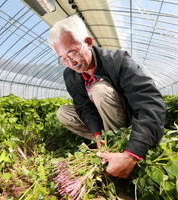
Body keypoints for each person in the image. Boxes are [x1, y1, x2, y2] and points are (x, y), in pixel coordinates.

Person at [47, 15, 166, 179]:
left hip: (128, 122)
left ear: (88, 43)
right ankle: (104, 143)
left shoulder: (119, 62)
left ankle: (118, 146)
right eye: (63, 58)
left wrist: (133, 154)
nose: (71, 63)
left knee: (99, 90)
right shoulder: (70, 75)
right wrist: (97, 133)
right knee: (63, 113)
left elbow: (150, 105)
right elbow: (84, 107)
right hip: (103, 120)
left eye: (72, 53)